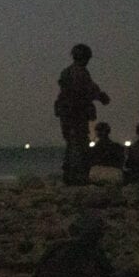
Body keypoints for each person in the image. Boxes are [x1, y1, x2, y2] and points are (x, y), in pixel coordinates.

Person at [55, 44, 111, 185]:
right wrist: (101, 97)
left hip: (67, 114)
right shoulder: (80, 72)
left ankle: (70, 174)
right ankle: (76, 176)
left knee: (72, 142)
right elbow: (88, 90)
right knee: (78, 143)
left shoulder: (66, 72)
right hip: (76, 114)